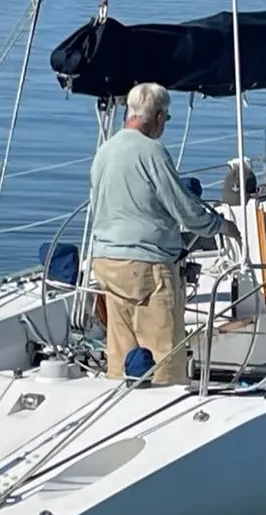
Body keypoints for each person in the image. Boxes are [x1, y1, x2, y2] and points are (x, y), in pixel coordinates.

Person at [88, 82, 238, 385]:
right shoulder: (152, 152)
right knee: (163, 358)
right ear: (158, 116)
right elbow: (184, 210)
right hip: (146, 267)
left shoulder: (105, 151)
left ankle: (121, 403)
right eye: (166, 118)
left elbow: (95, 204)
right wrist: (223, 226)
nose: (165, 124)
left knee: (121, 355)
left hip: (107, 263)